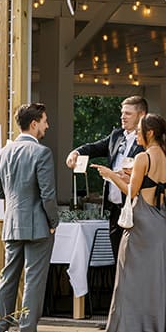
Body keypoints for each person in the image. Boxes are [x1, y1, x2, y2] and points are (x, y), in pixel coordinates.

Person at [98, 113, 166, 332]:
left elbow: (131, 192)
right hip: (159, 221)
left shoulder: (143, 157)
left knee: (128, 277)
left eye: (139, 131)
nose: (136, 135)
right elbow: (156, 188)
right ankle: (155, 331)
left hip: (141, 221)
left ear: (150, 133)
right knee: (155, 279)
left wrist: (111, 175)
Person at [0, 102, 59, 332]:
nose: (47, 125)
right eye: (44, 121)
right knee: (34, 279)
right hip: (38, 224)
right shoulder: (41, 153)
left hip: (12, 223)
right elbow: (48, 195)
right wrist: (54, 221)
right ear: (34, 124)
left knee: (8, 278)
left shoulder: (2, 153)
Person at [69, 95, 147, 247]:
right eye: (122, 113)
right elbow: (94, 147)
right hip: (115, 210)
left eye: (128, 114)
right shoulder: (116, 136)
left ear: (142, 115)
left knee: (132, 259)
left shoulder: (147, 141)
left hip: (137, 210)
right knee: (117, 258)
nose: (122, 117)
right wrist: (76, 153)